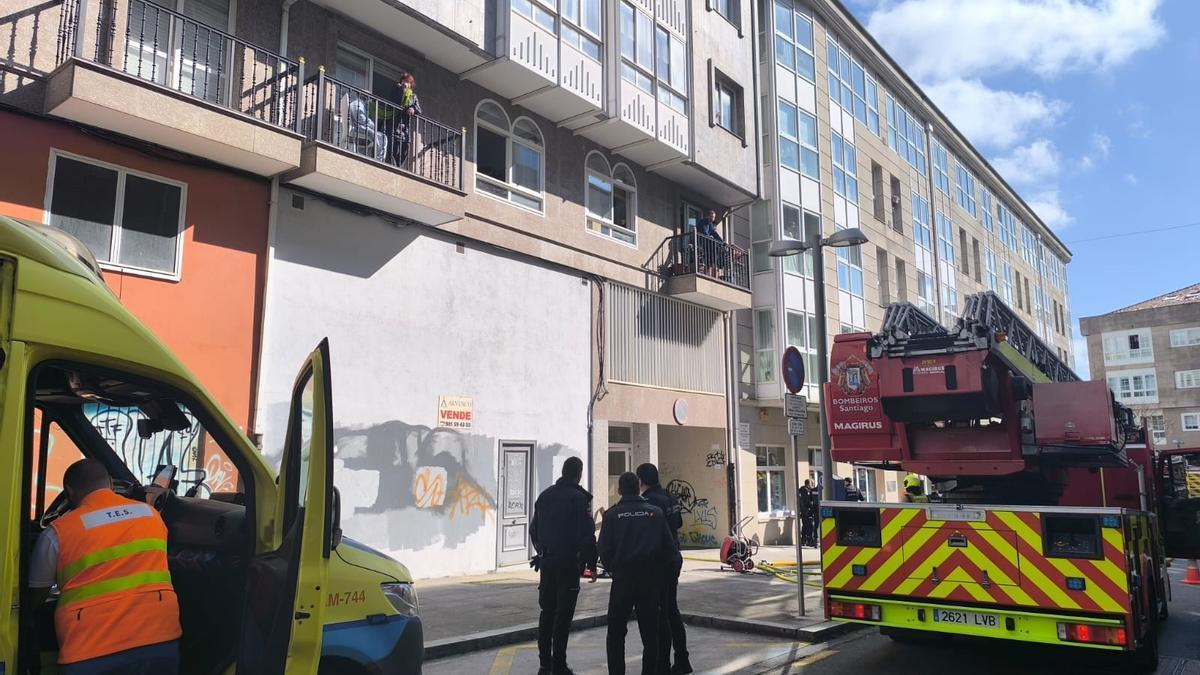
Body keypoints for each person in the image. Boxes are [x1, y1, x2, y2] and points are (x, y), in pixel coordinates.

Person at [29, 458, 181, 674]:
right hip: (159, 641)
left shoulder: (57, 533)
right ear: (109, 483)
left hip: (90, 652)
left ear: (70, 492)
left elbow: (34, 597)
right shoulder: (152, 516)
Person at [599, 472, 675, 675]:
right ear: (638, 486)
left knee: (615, 634)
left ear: (619, 490)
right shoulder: (655, 513)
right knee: (651, 635)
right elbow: (669, 549)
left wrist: (614, 569)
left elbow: (604, 550)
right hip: (649, 581)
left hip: (623, 580)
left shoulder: (612, 515)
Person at [530, 456, 598, 675]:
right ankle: (559, 664)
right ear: (579, 474)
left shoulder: (545, 496)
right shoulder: (579, 499)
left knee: (547, 613)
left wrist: (542, 551)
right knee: (563, 616)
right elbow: (587, 535)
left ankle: (543, 664)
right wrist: (591, 563)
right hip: (568, 564)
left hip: (548, 564)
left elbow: (534, 530)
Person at [636, 463, 690, 675]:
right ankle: (682, 658)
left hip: (659, 562)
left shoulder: (649, 502)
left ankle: (662, 664)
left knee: (661, 614)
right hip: (674, 557)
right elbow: (677, 523)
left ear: (641, 481)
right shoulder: (670, 497)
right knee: (671, 610)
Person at [387, 72, 422, 166]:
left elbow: (419, 109)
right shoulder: (395, 90)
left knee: (404, 150)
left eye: (408, 82)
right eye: (404, 81)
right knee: (392, 150)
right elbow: (393, 101)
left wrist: (413, 109)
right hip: (394, 126)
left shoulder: (413, 96)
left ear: (411, 84)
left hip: (405, 128)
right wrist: (402, 90)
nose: (405, 83)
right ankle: (392, 167)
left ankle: (398, 167)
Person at [798, 479, 818, 547]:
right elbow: (807, 502)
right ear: (809, 484)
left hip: (803, 511)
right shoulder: (805, 491)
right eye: (812, 484)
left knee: (805, 525)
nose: (812, 486)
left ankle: (803, 540)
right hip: (807, 511)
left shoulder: (801, 490)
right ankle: (809, 540)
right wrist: (810, 509)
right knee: (809, 526)